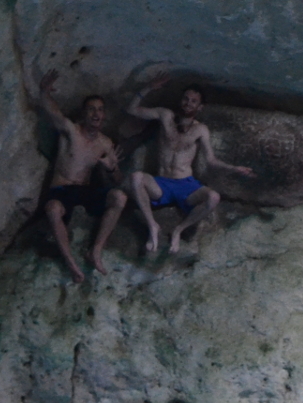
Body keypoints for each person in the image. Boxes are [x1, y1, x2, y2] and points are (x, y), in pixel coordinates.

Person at [125, 77, 255, 255]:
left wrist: (234, 168)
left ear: (199, 107)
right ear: (181, 100)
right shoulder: (165, 115)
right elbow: (132, 109)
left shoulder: (200, 129)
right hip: (161, 183)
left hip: (185, 185)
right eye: (186, 98)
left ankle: (179, 229)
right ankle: (152, 226)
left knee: (214, 198)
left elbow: (211, 160)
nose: (188, 103)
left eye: (194, 101)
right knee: (136, 177)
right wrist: (149, 87)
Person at [34, 70, 129, 282]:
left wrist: (111, 167)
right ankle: (70, 262)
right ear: (84, 114)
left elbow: (119, 181)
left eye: (100, 110)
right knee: (52, 209)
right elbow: (53, 112)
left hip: (85, 191)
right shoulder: (71, 131)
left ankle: (95, 250)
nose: (96, 114)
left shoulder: (105, 143)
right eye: (92, 110)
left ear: (104, 115)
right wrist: (43, 92)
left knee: (119, 197)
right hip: (61, 189)